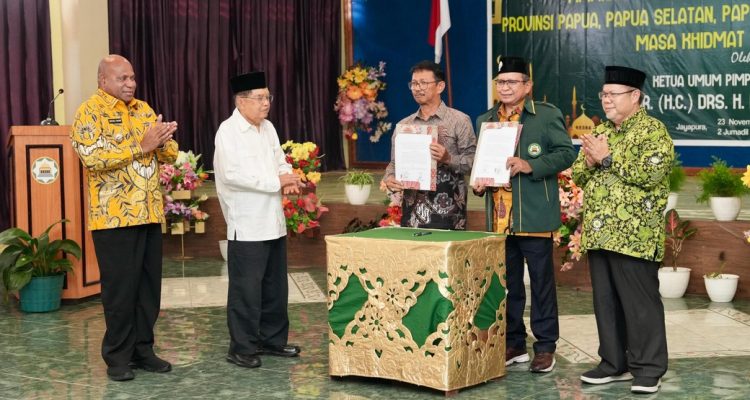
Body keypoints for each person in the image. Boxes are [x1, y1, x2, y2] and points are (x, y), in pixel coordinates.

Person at [70, 54, 179, 381]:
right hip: (114, 218)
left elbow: (169, 154)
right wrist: (141, 146)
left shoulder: (143, 109)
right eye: (122, 78)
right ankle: (118, 357)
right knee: (120, 291)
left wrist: (163, 139)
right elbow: (92, 158)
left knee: (148, 290)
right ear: (103, 80)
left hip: (149, 213)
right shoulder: (89, 112)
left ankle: (143, 350)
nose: (130, 83)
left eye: (132, 77)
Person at [572, 66, 672, 394]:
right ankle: (614, 363)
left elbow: (650, 174)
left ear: (635, 96)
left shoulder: (653, 131)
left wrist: (606, 159)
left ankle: (649, 368)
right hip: (601, 233)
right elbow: (578, 174)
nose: (606, 100)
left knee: (640, 304)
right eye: (604, 94)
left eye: (613, 94)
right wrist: (589, 161)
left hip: (634, 237)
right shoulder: (602, 132)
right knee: (606, 303)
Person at [473, 56, 575, 373]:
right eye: (501, 82)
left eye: (512, 82)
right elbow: (483, 162)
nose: (505, 87)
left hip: (534, 216)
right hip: (500, 219)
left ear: (527, 86)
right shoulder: (486, 120)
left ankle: (545, 346)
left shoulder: (545, 115)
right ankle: (514, 343)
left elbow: (566, 153)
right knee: (509, 286)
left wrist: (530, 165)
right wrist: (479, 182)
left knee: (541, 285)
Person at [214, 71, 303, 369]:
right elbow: (232, 175)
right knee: (246, 290)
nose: (266, 103)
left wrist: (288, 177)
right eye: (260, 98)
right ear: (241, 101)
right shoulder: (228, 131)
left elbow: (280, 161)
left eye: (268, 97)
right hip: (247, 224)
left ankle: (272, 340)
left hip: (273, 221)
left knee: (275, 287)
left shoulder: (268, 128)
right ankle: (241, 347)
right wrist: (277, 181)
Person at [381, 60, 476, 229]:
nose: (417, 88)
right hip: (412, 212)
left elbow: (473, 162)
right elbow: (394, 164)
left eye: (423, 83)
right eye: (414, 84)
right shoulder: (404, 125)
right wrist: (389, 177)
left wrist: (448, 158)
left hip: (449, 213)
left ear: (440, 86)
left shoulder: (460, 121)